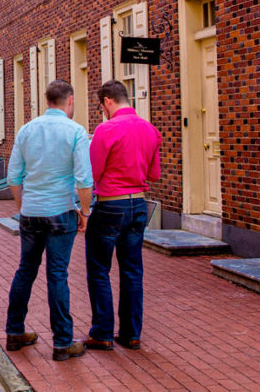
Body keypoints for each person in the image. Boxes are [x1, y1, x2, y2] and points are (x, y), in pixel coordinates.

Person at [5, 79, 93, 362]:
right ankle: (62, 343)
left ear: (47, 101)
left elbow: (13, 177)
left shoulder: (26, 130)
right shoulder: (76, 131)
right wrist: (85, 211)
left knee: (25, 270)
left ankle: (14, 332)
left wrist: (23, 206)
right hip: (60, 211)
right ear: (69, 101)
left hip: (31, 211)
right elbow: (84, 179)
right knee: (57, 274)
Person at [84, 80, 161, 352]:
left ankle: (103, 332)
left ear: (107, 101)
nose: (101, 111)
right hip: (138, 205)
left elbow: (92, 174)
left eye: (100, 106)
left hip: (110, 205)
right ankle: (131, 333)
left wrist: (82, 206)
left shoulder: (106, 130)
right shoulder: (151, 130)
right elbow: (154, 175)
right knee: (132, 270)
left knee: (99, 269)